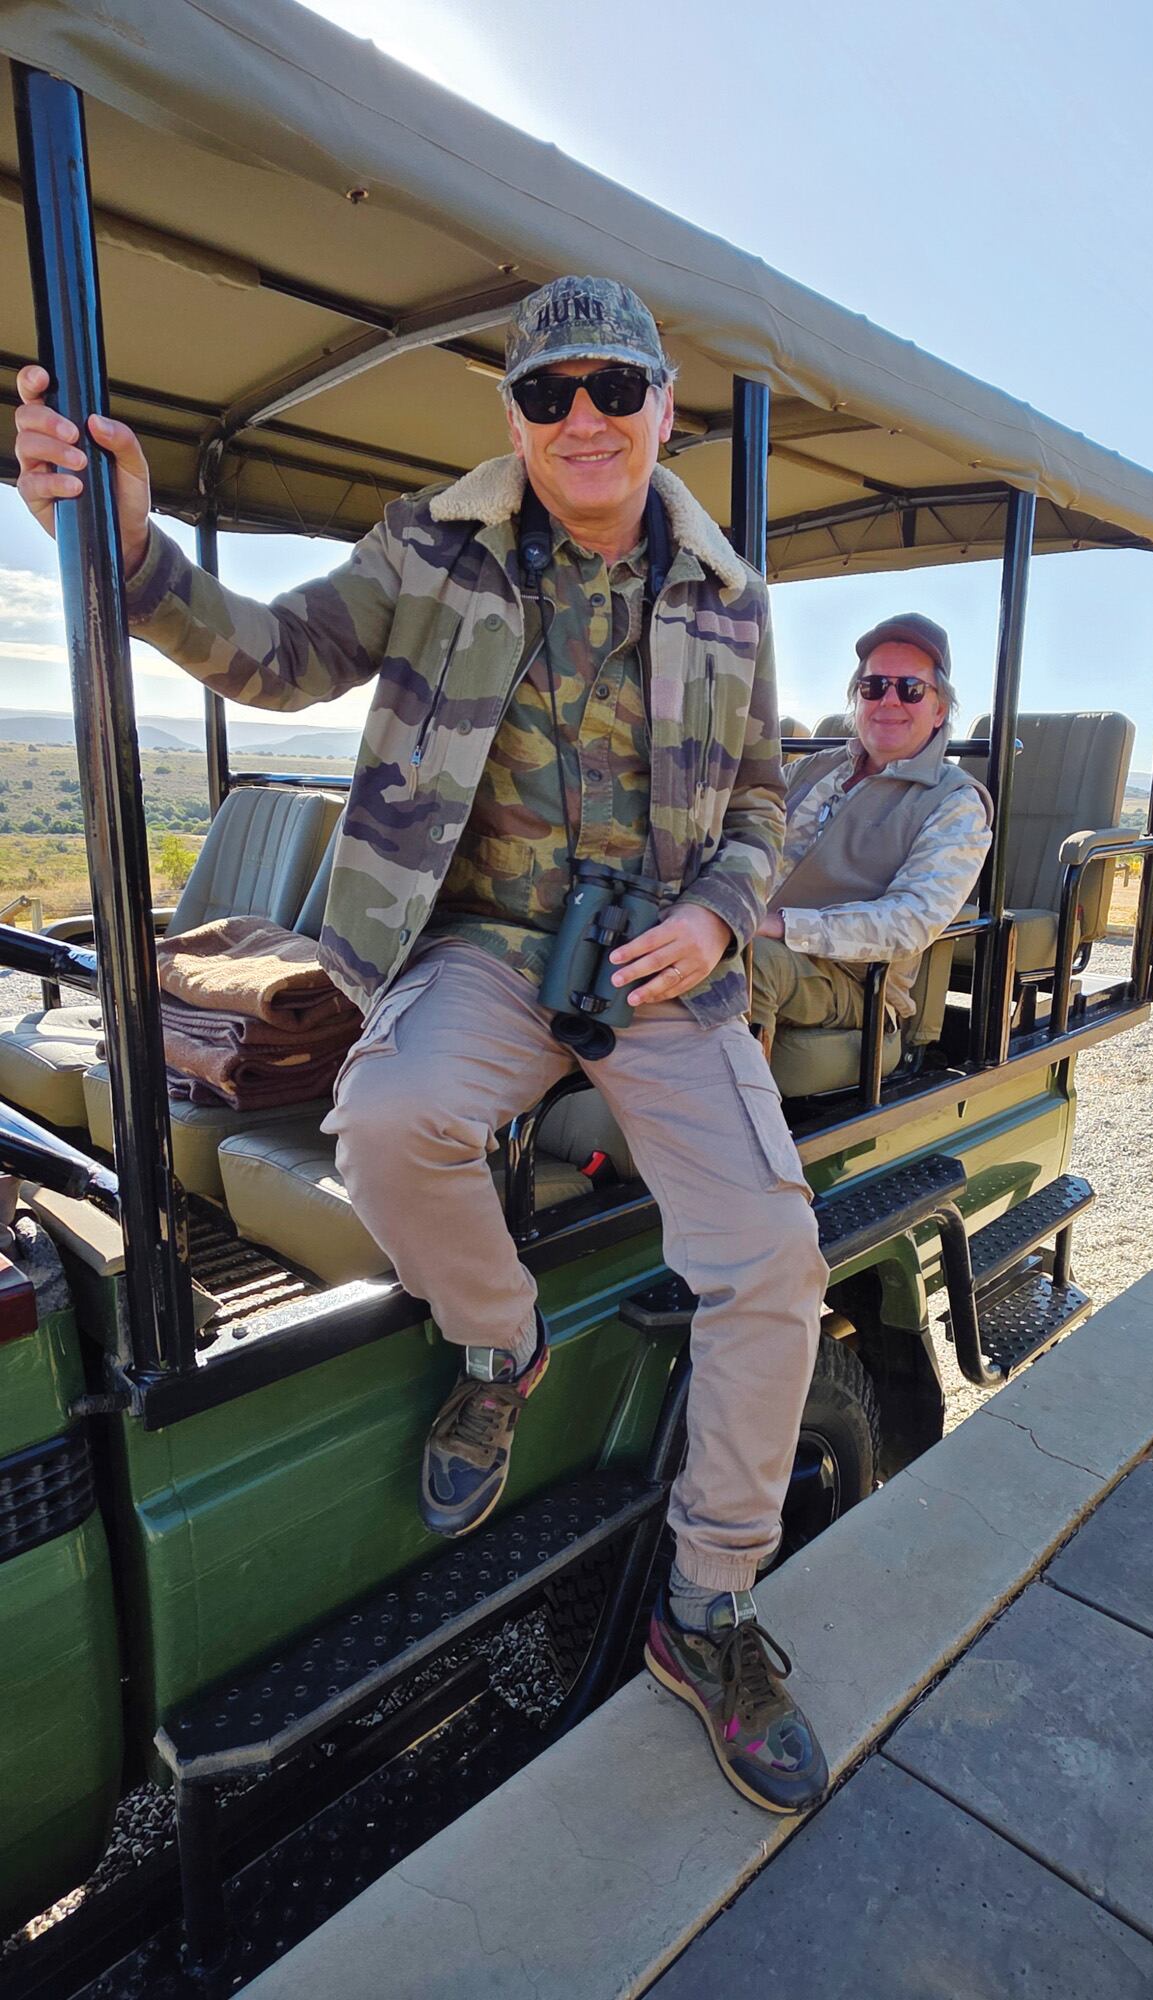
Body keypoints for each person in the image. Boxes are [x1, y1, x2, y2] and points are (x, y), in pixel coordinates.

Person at [15, 276, 831, 1815]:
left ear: (664, 408)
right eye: (546, 395)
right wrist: (130, 551)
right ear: (512, 418)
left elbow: (764, 806)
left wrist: (720, 917)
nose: (581, 419)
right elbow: (270, 655)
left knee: (773, 1261)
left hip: (663, 967)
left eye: (612, 389)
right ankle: (499, 1340)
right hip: (482, 947)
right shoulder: (428, 549)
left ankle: (705, 1607)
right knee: (384, 1122)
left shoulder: (729, 590)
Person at [750, 615, 992, 1058]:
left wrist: (781, 926)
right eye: (874, 686)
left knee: (745, 965)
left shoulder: (954, 802)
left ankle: (732, 1125)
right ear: (857, 700)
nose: (889, 701)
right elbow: (742, 826)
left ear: (939, 710)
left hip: (859, 983)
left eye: (911, 689)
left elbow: (910, 920)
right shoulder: (813, 768)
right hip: (756, 936)